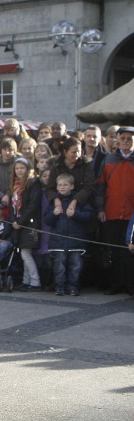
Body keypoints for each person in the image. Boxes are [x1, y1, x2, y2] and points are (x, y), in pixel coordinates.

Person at [95, 126, 134, 295]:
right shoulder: (109, 159)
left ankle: (130, 285)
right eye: (123, 138)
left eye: (129, 139)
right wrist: (100, 209)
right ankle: (116, 285)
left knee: (130, 252)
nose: (126, 141)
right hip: (112, 211)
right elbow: (100, 187)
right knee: (114, 250)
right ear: (117, 140)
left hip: (132, 215)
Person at [44, 173, 93, 296]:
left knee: (75, 266)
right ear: (56, 187)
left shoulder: (79, 201)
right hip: (58, 240)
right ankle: (59, 287)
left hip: (76, 240)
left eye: (65, 185)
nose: (62, 187)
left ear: (72, 186)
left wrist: (75, 214)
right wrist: (54, 214)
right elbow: (47, 220)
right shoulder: (54, 202)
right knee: (59, 266)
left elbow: (88, 216)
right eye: (60, 185)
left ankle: (73, 287)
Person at [9, 157, 42, 292]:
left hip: (30, 223)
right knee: (24, 253)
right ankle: (26, 281)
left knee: (25, 253)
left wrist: (20, 221)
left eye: (22, 168)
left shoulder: (33, 183)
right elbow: (12, 205)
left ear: (28, 169)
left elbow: (33, 206)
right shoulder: (14, 185)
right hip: (18, 223)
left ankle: (35, 281)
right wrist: (13, 220)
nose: (19, 171)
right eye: (17, 168)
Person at [0, 137, 19, 207]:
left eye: (10, 150)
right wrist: (1, 196)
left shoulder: (18, 165)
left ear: (14, 151)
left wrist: (8, 195)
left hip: (16, 200)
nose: (7, 152)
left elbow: (17, 183)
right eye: (4, 149)